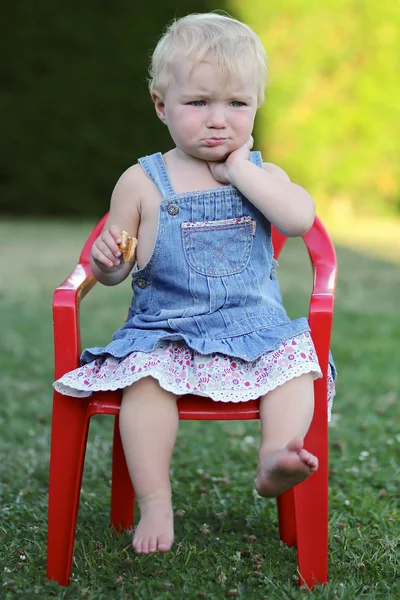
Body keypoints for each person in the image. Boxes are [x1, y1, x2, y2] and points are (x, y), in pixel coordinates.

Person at [54, 12, 336, 556]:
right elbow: (112, 269)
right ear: (162, 105)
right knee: (145, 388)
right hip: (165, 334)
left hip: (255, 331)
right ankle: (156, 500)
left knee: (299, 366)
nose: (218, 120)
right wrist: (108, 260)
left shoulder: (261, 174)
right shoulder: (141, 181)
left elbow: (299, 220)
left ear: (256, 107)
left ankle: (277, 455)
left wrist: (242, 172)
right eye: (198, 102)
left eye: (237, 104)